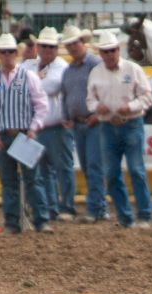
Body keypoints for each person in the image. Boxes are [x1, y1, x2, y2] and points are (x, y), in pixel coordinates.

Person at [0, 32, 49, 234]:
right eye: (4, 51)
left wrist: (33, 128)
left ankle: (41, 220)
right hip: (3, 136)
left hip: (23, 134)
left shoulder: (28, 77)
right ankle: (12, 223)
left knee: (33, 180)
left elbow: (41, 105)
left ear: (16, 53)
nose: (7, 55)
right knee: (9, 182)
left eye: (10, 51)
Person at [87, 31, 152, 229]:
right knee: (111, 173)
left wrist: (131, 106)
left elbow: (147, 96)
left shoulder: (133, 69)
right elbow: (90, 99)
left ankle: (144, 214)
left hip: (131, 123)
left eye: (113, 50)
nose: (110, 54)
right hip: (107, 126)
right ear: (101, 53)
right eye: (106, 51)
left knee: (136, 170)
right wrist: (96, 107)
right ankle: (126, 217)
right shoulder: (96, 73)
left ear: (118, 50)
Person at [21, 26, 73, 225]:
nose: (47, 50)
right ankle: (51, 208)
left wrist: (30, 86)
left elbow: (52, 86)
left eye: (51, 46)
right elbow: (19, 85)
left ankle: (66, 207)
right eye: (43, 46)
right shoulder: (29, 65)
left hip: (56, 125)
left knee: (62, 169)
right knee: (42, 172)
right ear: (38, 46)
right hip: (35, 128)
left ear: (56, 49)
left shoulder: (61, 66)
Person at [60, 24, 108, 224]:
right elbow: (66, 95)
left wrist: (98, 113)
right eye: (70, 44)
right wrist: (66, 115)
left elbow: (105, 91)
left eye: (75, 43)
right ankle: (99, 208)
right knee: (90, 167)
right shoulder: (69, 69)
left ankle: (94, 208)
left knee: (94, 166)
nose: (72, 47)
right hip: (79, 123)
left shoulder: (95, 64)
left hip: (94, 122)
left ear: (83, 43)